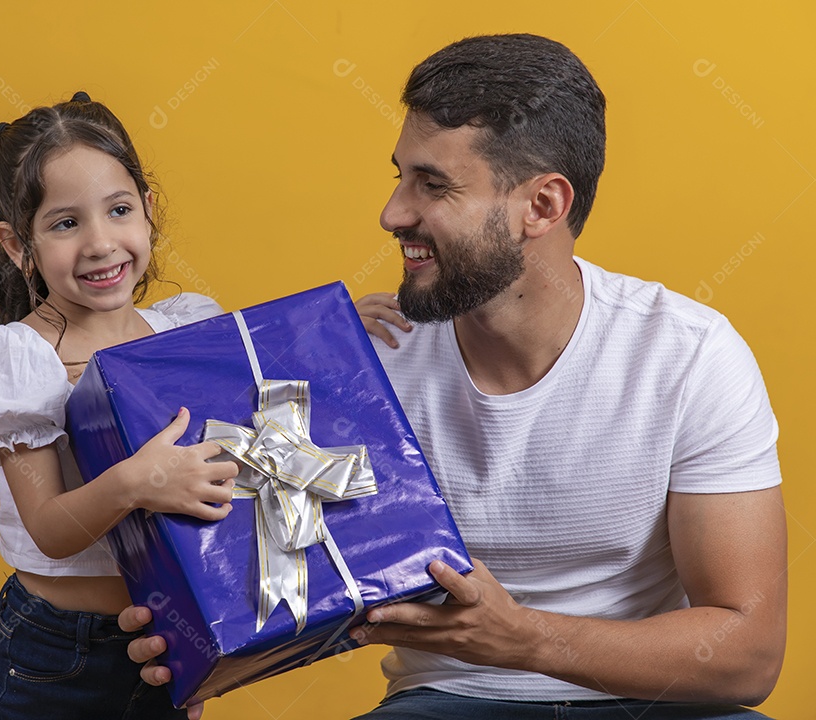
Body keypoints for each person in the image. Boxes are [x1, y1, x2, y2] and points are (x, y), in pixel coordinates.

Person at [122, 34, 786, 719]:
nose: (393, 213)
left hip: (652, 699)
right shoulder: (362, 361)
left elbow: (748, 654)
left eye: (432, 185)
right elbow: (289, 567)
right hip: (445, 699)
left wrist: (523, 640)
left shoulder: (688, 354)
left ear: (542, 206)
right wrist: (197, 651)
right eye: (400, 175)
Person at [0, 92, 239, 720]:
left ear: (147, 210)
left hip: (170, 636)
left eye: (119, 210)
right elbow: (53, 531)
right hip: (59, 657)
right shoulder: (19, 359)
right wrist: (137, 482)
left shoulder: (183, 328)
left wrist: (324, 330)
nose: (101, 242)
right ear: (14, 243)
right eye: (65, 223)